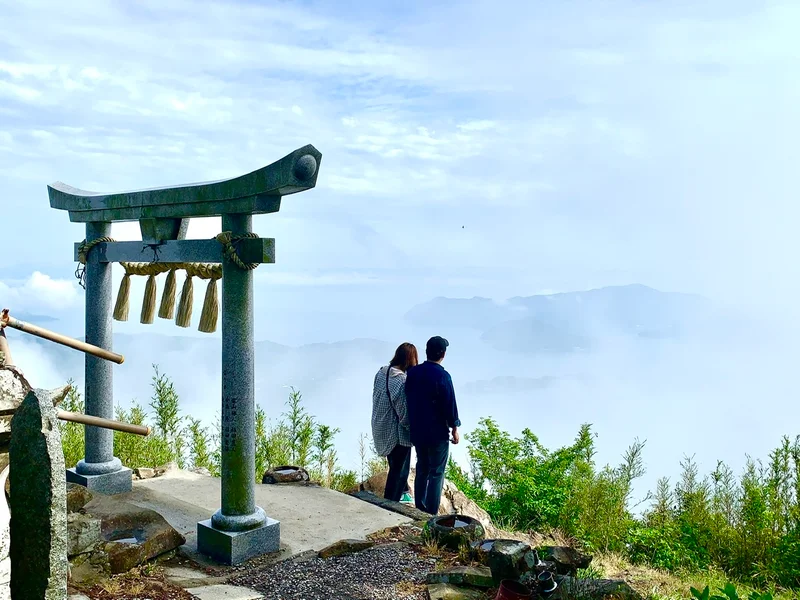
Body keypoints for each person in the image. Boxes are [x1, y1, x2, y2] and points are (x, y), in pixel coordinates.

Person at [405, 335, 460, 515]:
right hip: (437, 433)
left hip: (418, 430)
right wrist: (455, 428)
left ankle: (419, 507)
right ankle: (431, 513)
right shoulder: (443, 376)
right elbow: (450, 405)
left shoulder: (412, 373)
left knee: (422, 468)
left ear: (427, 351)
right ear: (443, 354)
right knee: (437, 473)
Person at [371, 342, 418, 503]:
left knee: (394, 465)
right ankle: (390, 504)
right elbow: (403, 411)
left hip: (380, 427)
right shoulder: (401, 380)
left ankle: (404, 491)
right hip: (395, 433)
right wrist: (413, 429)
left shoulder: (381, 373)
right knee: (399, 471)